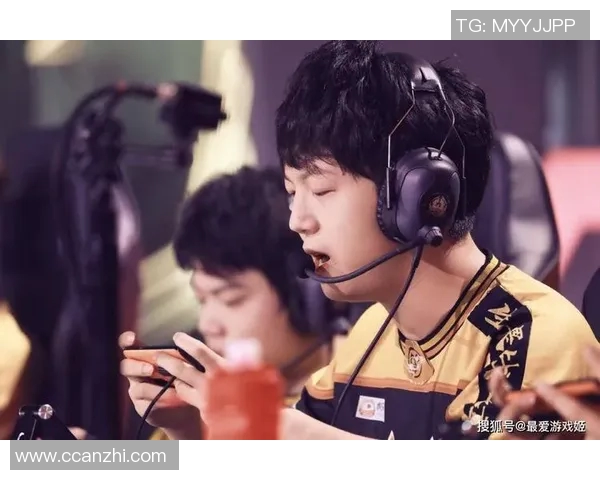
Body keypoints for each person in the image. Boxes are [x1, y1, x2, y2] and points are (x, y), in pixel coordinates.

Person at [121, 41, 598, 440]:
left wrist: (280, 431)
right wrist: (190, 429)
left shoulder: (534, 340)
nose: (298, 221)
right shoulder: (369, 337)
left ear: (416, 194)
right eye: (292, 193)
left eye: (321, 190)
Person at [121, 166, 343, 440]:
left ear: (308, 294)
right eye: (202, 300)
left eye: (231, 300)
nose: (207, 325)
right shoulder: (197, 406)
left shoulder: (364, 385)